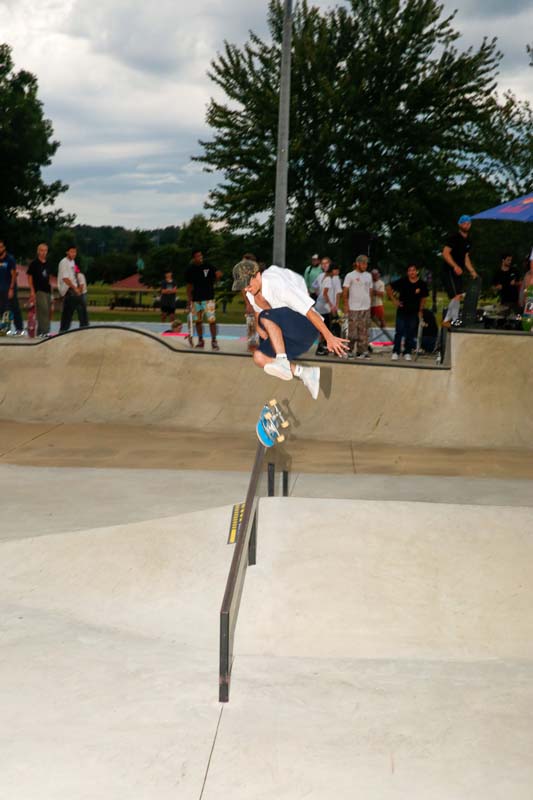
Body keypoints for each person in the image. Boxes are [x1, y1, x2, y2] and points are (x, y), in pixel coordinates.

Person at [232, 261, 349, 400]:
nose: (247, 289)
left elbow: (309, 312)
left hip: (306, 326)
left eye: (248, 284)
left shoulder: (278, 286)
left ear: (258, 275)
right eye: (243, 286)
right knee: (259, 357)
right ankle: (306, 373)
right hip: (291, 337)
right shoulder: (252, 294)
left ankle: (282, 361)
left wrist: (329, 336)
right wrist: (263, 335)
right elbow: (259, 317)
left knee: (266, 315)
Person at [441, 214, 479, 326]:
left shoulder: (468, 241)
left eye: (468, 223)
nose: (466, 225)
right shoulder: (454, 238)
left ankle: (452, 320)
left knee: (459, 295)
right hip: (449, 270)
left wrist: (472, 271)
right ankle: (450, 320)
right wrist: (454, 266)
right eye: (464, 223)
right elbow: (445, 253)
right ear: (459, 224)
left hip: (459, 272)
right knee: (456, 295)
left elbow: (465, 257)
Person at [386, 264, 429, 360]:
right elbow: (388, 287)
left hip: (414, 311)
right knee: (399, 331)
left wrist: (420, 310)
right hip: (402, 310)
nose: (412, 272)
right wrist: (394, 300)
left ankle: (407, 352)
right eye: (410, 270)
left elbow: (423, 298)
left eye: (413, 270)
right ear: (407, 272)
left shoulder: (422, 284)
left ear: (417, 271)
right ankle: (396, 351)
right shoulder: (403, 281)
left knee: (410, 332)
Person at [185, 249, 222, 350]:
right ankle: (201, 340)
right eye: (197, 256)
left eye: (201, 255)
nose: (200, 258)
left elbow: (218, 274)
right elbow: (189, 286)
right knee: (198, 321)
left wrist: (217, 277)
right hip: (196, 299)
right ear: (194, 258)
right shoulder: (190, 269)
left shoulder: (208, 266)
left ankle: (214, 341)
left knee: (212, 320)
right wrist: (189, 299)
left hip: (209, 298)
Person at [342, 254, 372, 358]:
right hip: (354, 307)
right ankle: (349, 349)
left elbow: (370, 290)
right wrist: (346, 305)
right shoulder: (350, 276)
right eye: (363, 263)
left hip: (365, 307)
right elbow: (345, 291)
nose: (365, 266)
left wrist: (369, 304)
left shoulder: (368, 276)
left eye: (366, 264)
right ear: (358, 264)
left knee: (363, 330)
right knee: (353, 331)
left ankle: (362, 350)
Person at [233, 254, 260, 352]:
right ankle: (252, 344)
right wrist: (248, 304)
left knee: (260, 322)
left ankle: (259, 343)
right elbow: (243, 291)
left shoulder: (257, 273)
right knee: (251, 321)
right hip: (252, 301)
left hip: (260, 301)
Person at [27, 242, 52, 336]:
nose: (43, 252)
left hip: (47, 291)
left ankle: (40, 332)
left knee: (48, 312)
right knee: (43, 311)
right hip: (39, 290)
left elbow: (48, 278)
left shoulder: (48, 263)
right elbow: (29, 277)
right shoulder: (34, 264)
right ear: (38, 251)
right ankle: (45, 332)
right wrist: (32, 291)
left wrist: (52, 292)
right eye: (41, 250)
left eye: (45, 250)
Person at [57, 244, 83, 332]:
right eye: (71, 252)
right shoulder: (64, 262)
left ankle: (83, 326)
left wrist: (79, 287)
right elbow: (65, 278)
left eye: (75, 252)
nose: (73, 254)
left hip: (73, 288)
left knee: (76, 309)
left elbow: (74, 275)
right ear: (67, 252)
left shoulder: (73, 262)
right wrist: (75, 289)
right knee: (69, 312)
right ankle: (63, 330)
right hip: (67, 289)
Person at [312, 257, 335, 355]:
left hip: (320, 304)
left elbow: (315, 287)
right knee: (326, 326)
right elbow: (324, 292)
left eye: (326, 263)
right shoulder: (326, 278)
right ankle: (322, 346)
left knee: (323, 325)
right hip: (325, 306)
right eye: (323, 263)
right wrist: (331, 305)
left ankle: (323, 345)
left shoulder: (322, 276)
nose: (324, 265)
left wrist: (319, 295)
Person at [0, 238, 19, 331]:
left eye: (0, 247)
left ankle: (19, 329)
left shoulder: (9, 259)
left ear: (4, 248)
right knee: (2, 310)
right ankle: (3, 329)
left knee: (13, 308)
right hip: (0, 289)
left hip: (9, 288)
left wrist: (11, 288)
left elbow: (14, 275)